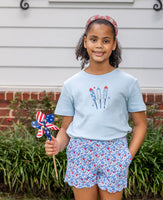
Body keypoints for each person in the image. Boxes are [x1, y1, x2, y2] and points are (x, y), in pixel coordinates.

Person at [45, 15, 147, 200]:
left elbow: (140, 124)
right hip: (81, 152)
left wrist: (127, 156)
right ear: (85, 42)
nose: (99, 45)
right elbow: (66, 128)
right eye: (93, 39)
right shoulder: (71, 84)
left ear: (114, 44)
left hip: (115, 151)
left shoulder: (128, 83)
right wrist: (57, 145)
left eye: (106, 41)